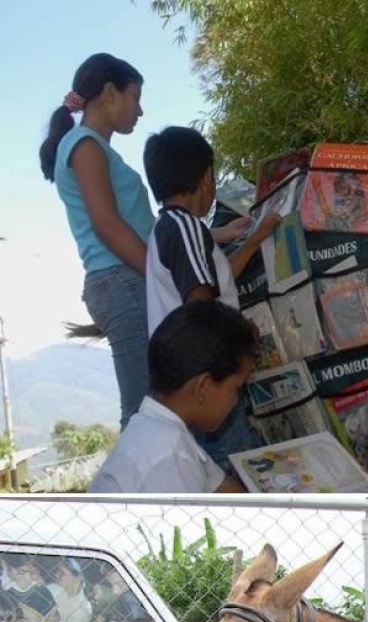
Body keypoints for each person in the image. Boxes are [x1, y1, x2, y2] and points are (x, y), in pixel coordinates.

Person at [143, 125, 280, 468]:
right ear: (206, 178)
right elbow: (202, 306)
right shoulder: (186, 227)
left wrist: (252, 239)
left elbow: (216, 284)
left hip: (193, 385)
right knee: (235, 466)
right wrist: (241, 339)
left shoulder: (168, 228)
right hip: (210, 384)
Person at [39, 54, 154, 427]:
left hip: (124, 279)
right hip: (122, 280)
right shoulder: (84, 145)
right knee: (143, 414)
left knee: (151, 411)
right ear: (109, 93)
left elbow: (140, 224)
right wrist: (162, 275)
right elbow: (107, 224)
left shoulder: (93, 146)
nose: (140, 110)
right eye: (135, 97)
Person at [88, 300, 258, 493]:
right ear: (203, 386)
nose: (237, 400)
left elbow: (223, 489)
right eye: (237, 387)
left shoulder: (156, 428)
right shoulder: (169, 456)